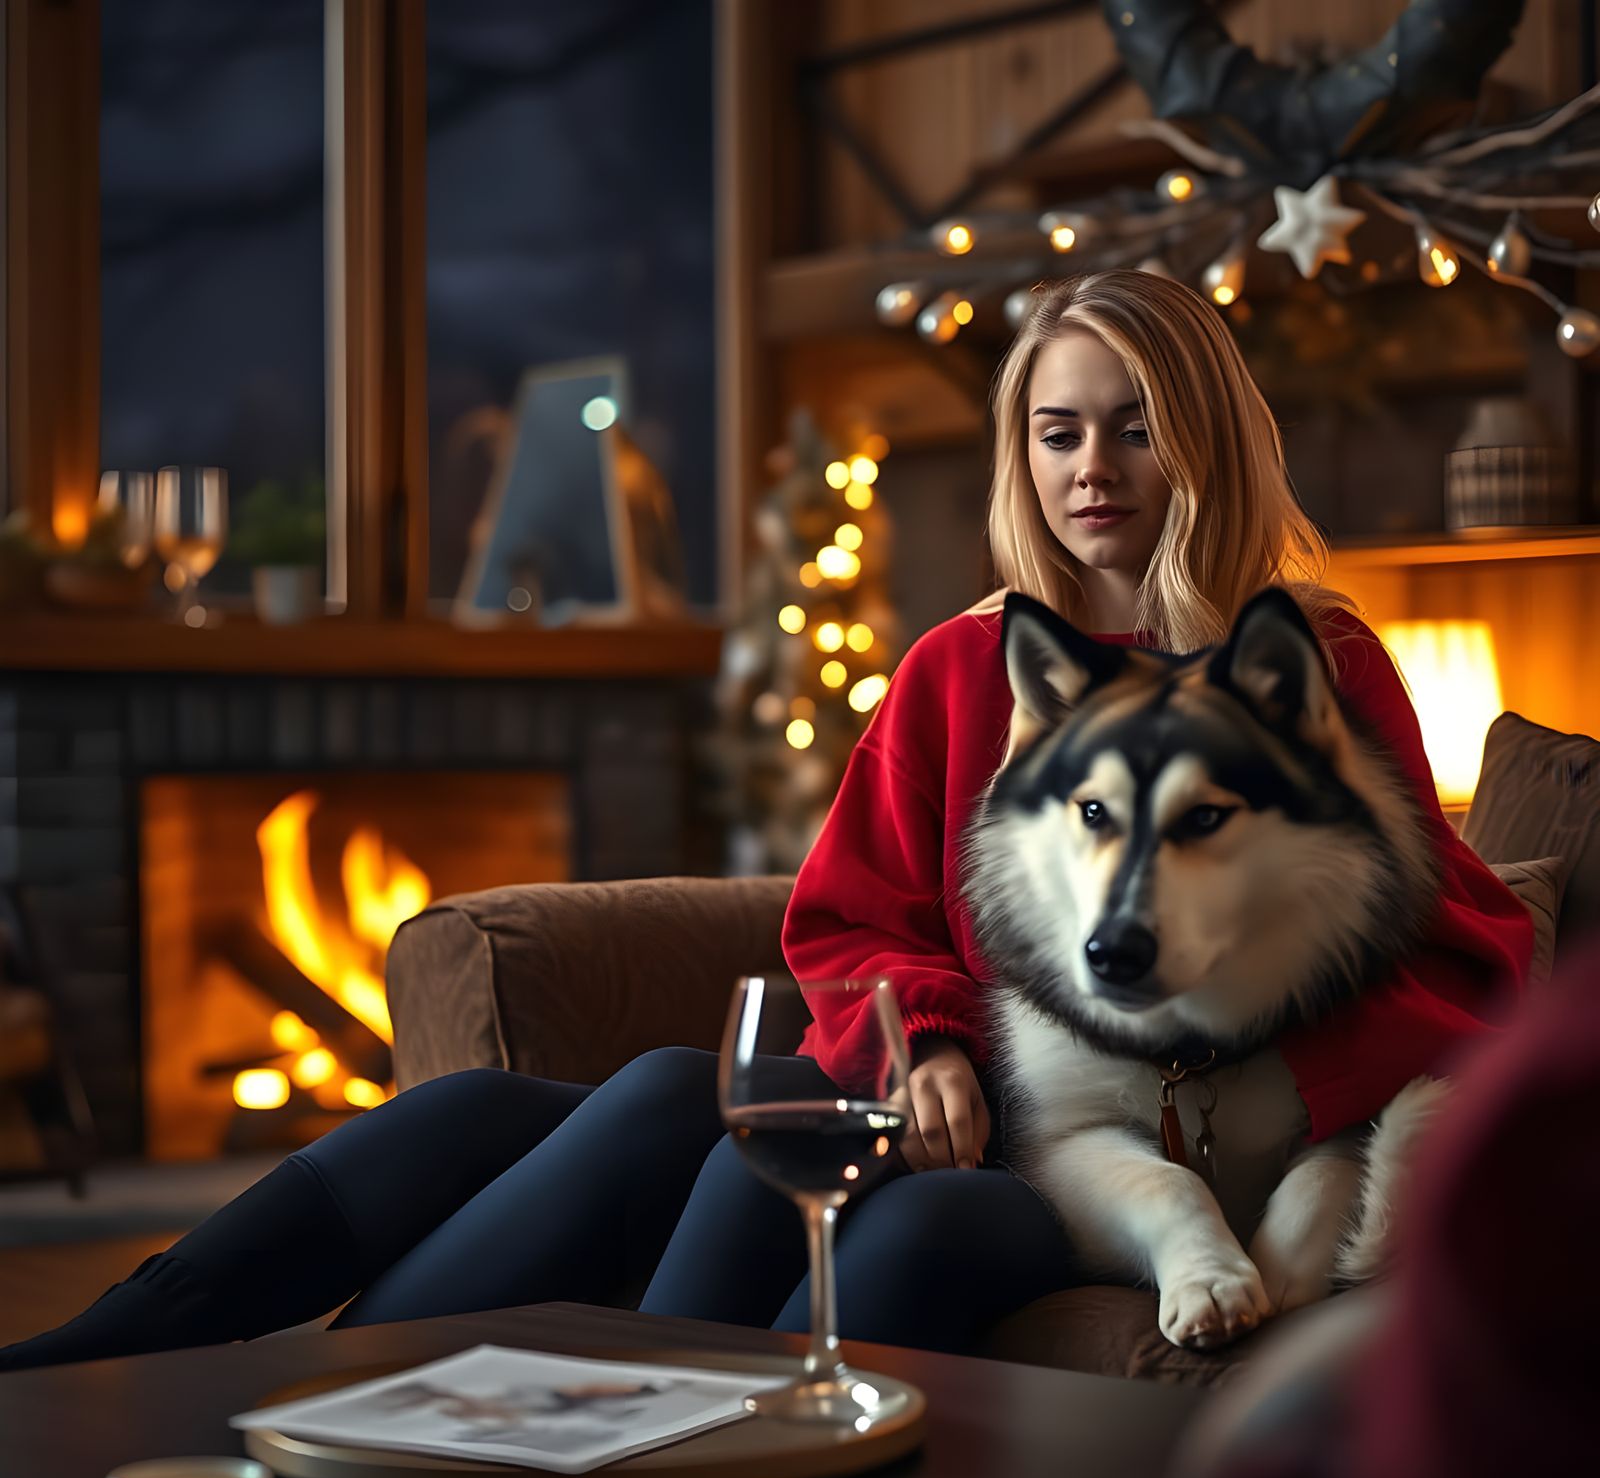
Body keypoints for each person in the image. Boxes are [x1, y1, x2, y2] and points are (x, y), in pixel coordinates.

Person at [0, 272, 1531, 1374]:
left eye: (1132, 429)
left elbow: (1422, 924)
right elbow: (852, 916)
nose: (1091, 471)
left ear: (1201, 437)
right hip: (930, 1094)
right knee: (631, 1095)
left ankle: (390, 1405)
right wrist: (929, 1041)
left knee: (694, 1111)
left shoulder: (1313, 665)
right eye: (1057, 433)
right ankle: (130, 1353)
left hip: (1059, 1143)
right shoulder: (963, 666)